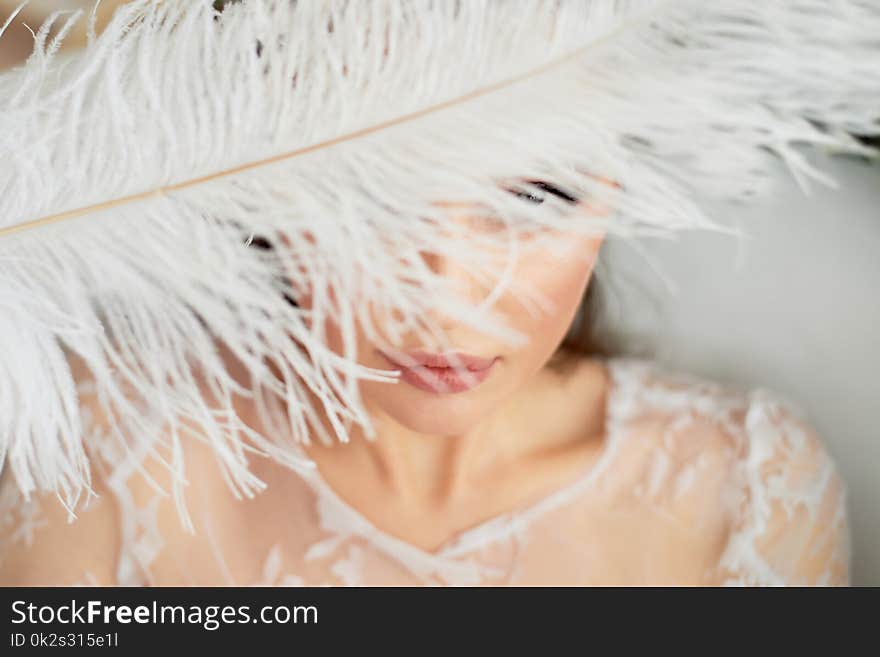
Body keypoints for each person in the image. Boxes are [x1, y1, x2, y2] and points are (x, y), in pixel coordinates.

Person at [0, 179, 850, 586]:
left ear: (620, 188)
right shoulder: (97, 456)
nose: (445, 295)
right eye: (371, 195)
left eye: (540, 194)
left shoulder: (746, 488)